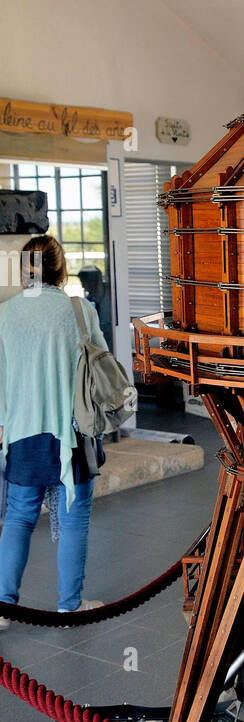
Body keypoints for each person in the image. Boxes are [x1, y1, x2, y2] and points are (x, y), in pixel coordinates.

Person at [0, 235, 105, 624]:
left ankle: (3, 606)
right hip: (72, 433)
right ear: (60, 269)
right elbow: (100, 372)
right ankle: (69, 604)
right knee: (74, 516)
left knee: (18, 518)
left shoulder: (6, 313)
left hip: (22, 431)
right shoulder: (81, 310)